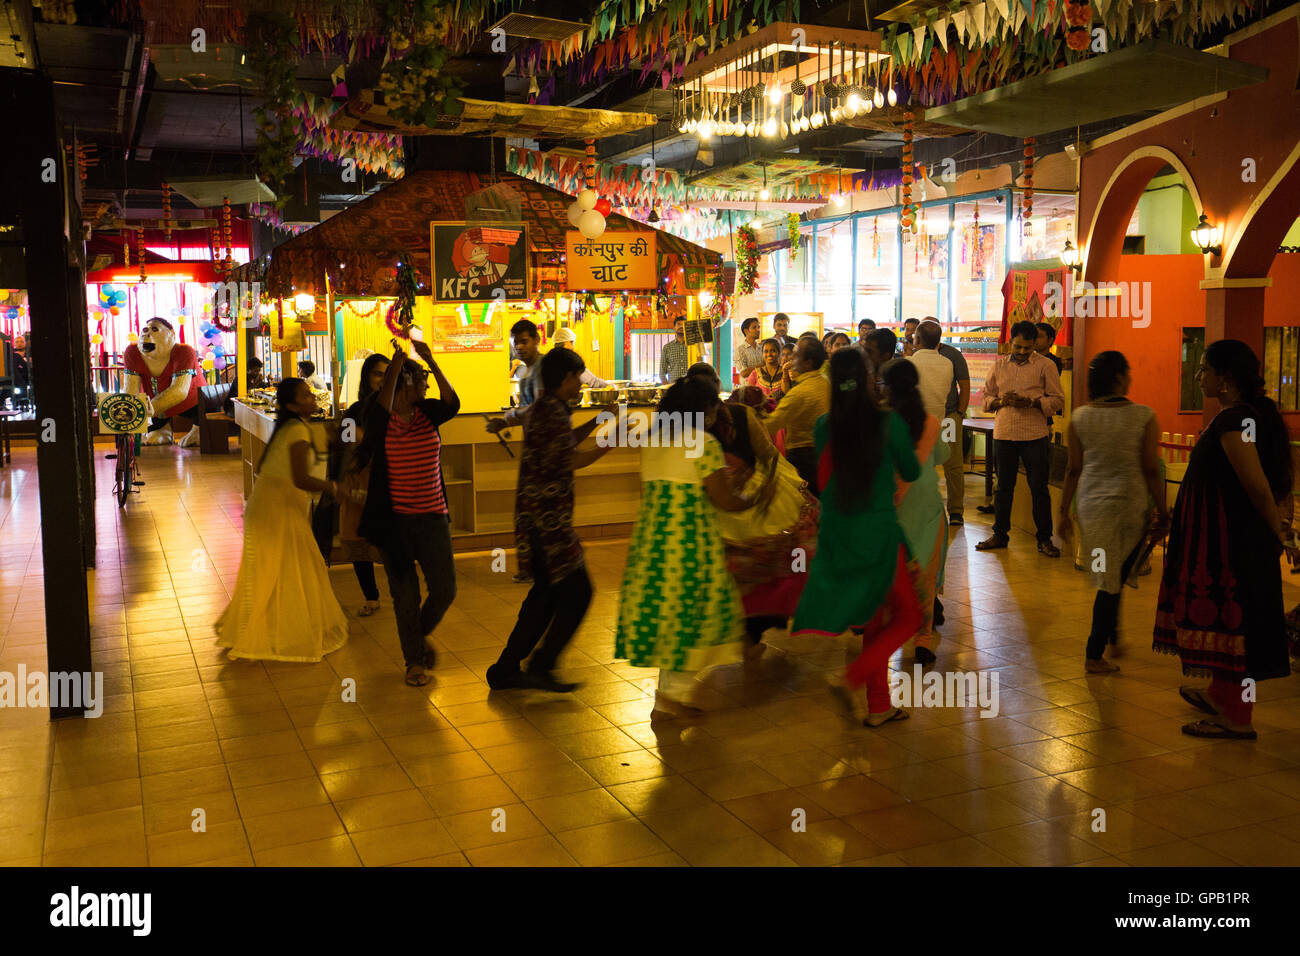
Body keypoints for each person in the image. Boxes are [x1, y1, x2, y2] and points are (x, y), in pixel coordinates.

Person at [1153, 340, 1294, 740]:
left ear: (1226, 379)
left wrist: (1278, 531)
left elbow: (1257, 485)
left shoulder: (1235, 423)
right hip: (1227, 539)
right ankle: (1220, 694)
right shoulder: (1250, 416)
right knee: (1224, 620)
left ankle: (1237, 716)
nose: (1199, 377)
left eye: (1204, 369)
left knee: (1236, 623)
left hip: (1232, 543)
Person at [790, 350, 922, 726]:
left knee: (877, 619)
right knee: (909, 615)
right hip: (878, 533)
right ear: (867, 378)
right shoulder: (888, 422)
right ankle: (850, 678)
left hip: (839, 533)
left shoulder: (823, 425)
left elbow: (828, 476)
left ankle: (879, 704)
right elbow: (910, 470)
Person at [615, 378, 747, 720]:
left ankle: (668, 698)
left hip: (654, 542)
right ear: (700, 410)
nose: (716, 413)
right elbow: (725, 500)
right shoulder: (702, 443)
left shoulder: (652, 440)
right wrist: (755, 498)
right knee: (698, 616)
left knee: (671, 616)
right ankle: (671, 698)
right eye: (712, 407)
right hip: (690, 543)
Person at [487, 349, 618, 692]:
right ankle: (538, 666)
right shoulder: (552, 412)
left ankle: (506, 670)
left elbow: (564, 443)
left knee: (545, 595)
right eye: (578, 377)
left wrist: (596, 422)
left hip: (539, 518)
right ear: (565, 378)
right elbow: (572, 459)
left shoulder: (548, 408)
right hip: (547, 523)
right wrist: (611, 441)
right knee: (578, 592)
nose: (581, 383)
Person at [689, 365, 819, 662]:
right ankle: (749, 632)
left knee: (749, 575)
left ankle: (745, 634)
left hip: (738, 503)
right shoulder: (731, 417)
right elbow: (769, 455)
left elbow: (767, 456)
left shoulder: (696, 423)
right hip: (747, 501)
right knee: (770, 570)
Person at [216, 378, 349, 662]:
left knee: (285, 567)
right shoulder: (295, 430)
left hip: (274, 507)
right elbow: (301, 478)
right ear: (291, 405)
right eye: (306, 395)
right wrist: (335, 489)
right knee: (290, 567)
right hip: (274, 511)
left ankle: (272, 628)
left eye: (311, 393)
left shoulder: (292, 427)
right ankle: (276, 632)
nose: (312, 397)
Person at [354, 340, 460, 687]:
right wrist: (398, 366)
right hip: (394, 523)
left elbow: (452, 402)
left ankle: (417, 635)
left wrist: (429, 359)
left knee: (444, 590)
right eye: (422, 381)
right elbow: (381, 411)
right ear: (405, 386)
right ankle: (414, 661)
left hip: (433, 517)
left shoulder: (429, 412)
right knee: (405, 596)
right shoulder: (379, 416)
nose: (427, 386)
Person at [1057, 351, 1166, 674]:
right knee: (1112, 579)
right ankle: (1094, 652)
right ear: (1119, 377)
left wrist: (1063, 512)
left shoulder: (1079, 418)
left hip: (1092, 507)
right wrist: (1163, 509)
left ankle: (1114, 639)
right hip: (1131, 507)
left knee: (1111, 576)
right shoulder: (1144, 417)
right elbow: (1150, 469)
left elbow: (1073, 469)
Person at [975, 320, 1066, 557]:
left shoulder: (1046, 366)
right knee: (1003, 487)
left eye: (1027, 348)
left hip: (1035, 435)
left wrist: (1034, 402)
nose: (1023, 352)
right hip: (1004, 433)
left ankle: (1044, 539)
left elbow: (1058, 401)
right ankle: (1000, 534)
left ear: (1035, 344)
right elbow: (985, 399)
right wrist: (1000, 402)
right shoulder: (998, 366)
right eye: (1018, 347)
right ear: (1010, 344)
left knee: (1039, 488)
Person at [882, 359, 951, 665]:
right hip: (928, 505)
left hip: (895, 502)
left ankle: (891, 629)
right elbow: (941, 456)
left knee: (895, 572)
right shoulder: (932, 422)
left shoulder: (883, 422)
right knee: (925, 573)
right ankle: (923, 640)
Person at [336, 353, 390, 617]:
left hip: (389, 484)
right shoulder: (355, 411)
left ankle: (402, 593)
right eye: (377, 374)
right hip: (359, 483)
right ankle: (371, 597)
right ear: (367, 377)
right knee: (358, 543)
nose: (382, 380)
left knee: (391, 544)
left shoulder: (399, 411)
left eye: (387, 375)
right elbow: (345, 446)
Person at [764, 336, 831, 495]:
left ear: (808, 362)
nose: (792, 358)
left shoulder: (800, 393)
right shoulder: (826, 382)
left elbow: (771, 424)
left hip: (804, 457)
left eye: (796, 354)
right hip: (825, 454)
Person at [925, 318, 971, 526]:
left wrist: (959, 413)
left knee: (952, 465)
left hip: (949, 417)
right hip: (925, 419)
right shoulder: (916, 355)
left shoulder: (953, 355)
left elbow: (964, 385)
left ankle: (955, 512)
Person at [486, 319, 541, 434]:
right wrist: (504, 423)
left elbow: (540, 408)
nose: (519, 347)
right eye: (516, 343)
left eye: (524, 342)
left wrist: (512, 414)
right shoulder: (526, 373)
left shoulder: (543, 367)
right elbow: (529, 415)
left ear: (536, 339)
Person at [906, 319, 953, 423]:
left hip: (915, 424)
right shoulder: (948, 364)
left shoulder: (909, 363)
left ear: (917, 340)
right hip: (938, 423)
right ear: (938, 341)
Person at [746, 337, 785, 404]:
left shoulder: (785, 372)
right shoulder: (755, 373)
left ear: (779, 353)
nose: (769, 354)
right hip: (761, 412)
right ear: (762, 354)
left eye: (773, 351)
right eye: (766, 351)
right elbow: (749, 396)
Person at [659, 317, 689, 384]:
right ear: (674, 328)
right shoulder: (667, 347)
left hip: (691, 386)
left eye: (684, 324)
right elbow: (662, 371)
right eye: (679, 324)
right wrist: (667, 388)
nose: (681, 326)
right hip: (674, 387)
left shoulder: (693, 346)